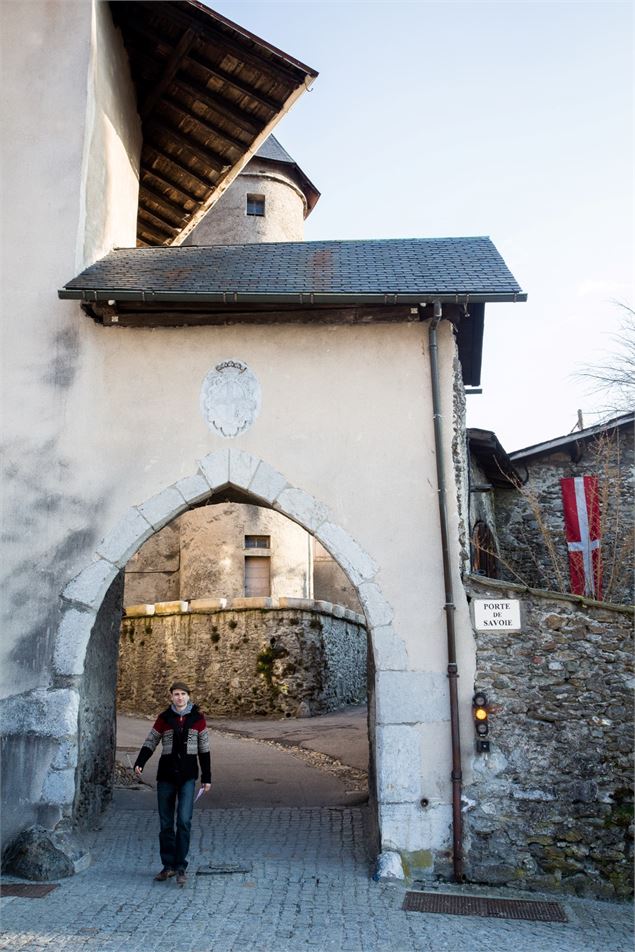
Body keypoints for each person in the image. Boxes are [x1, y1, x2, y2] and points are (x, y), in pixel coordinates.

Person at [134, 681, 211, 885]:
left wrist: (207, 778)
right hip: (166, 776)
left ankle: (180, 867)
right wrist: (140, 762)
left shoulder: (197, 719)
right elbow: (151, 740)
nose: (179, 697)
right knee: (166, 822)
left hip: (187, 776)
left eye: (183, 694)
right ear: (171, 697)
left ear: (188, 696)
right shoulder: (164, 718)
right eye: (176, 694)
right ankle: (167, 866)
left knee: (184, 821)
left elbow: (204, 749)